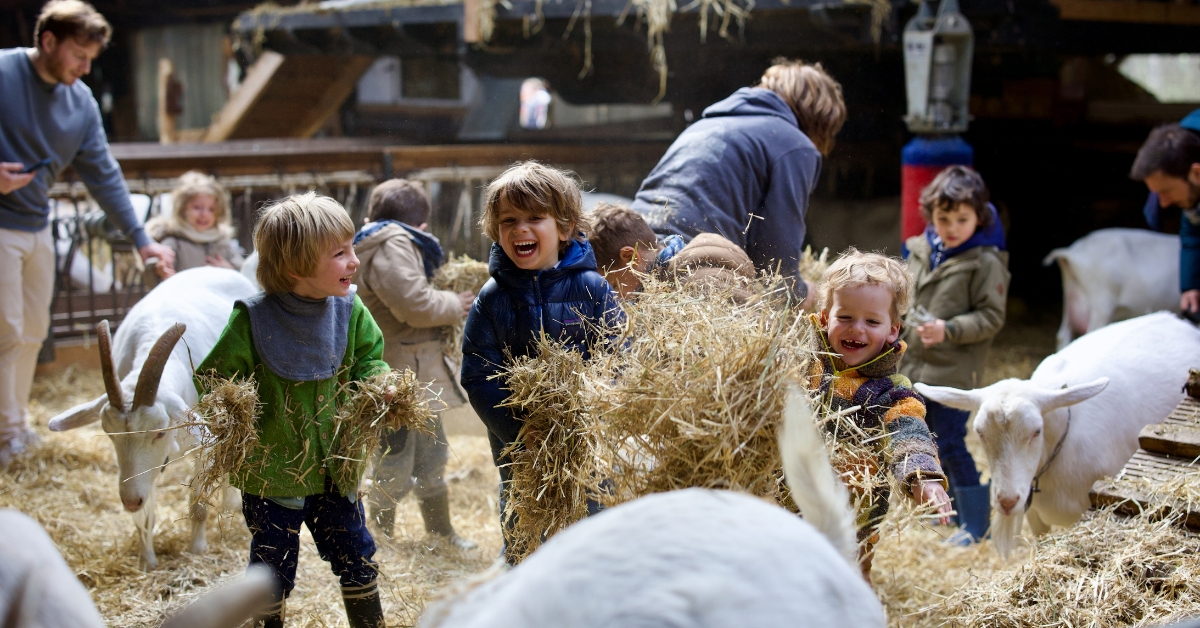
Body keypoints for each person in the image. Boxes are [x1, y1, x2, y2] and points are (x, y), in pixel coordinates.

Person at [195, 192, 389, 628]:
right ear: (296, 266)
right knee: (272, 573)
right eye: (340, 253)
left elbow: (369, 357)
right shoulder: (253, 319)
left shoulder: (350, 309)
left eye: (352, 247)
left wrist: (380, 384)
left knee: (357, 555)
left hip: (337, 470)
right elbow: (215, 379)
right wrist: (227, 410)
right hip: (272, 476)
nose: (354, 262)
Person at [0, 0, 175, 468]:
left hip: (35, 222)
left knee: (33, 331)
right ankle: (7, 433)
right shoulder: (3, 73)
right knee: (7, 328)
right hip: (0, 224)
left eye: (91, 58)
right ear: (48, 40)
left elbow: (103, 174)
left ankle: (13, 428)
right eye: (79, 55)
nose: (85, 67)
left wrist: (142, 240)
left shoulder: (79, 102)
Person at [459, 162, 622, 559]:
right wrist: (518, 431)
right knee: (523, 542)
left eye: (535, 217)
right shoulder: (493, 298)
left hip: (587, 450)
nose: (520, 229)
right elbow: (478, 375)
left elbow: (618, 355)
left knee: (591, 538)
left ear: (565, 228)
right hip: (521, 456)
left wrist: (598, 409)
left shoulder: (593, 289)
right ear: (495, 230)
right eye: (509, 220)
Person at [629, 58, 846, 303]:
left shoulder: (707, 123)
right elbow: (776, 262)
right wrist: (803, 293)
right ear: (820, 119)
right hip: (688, 268)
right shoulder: (795, 144)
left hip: (631, 256)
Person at [807, 248, 952, 581]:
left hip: (853, 516)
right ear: (826, 317)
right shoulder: (804, 365)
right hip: (791, 505)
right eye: (845, 317)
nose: (857, 329)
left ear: (892, 330)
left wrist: (921, 475)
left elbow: (909, 431)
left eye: (872, 321)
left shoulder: (893, 390)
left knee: (847, 583)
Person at [352, 179, 476, 549]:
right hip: (399, 372)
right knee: (395, 458)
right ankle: (380, 536)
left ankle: (440, 531)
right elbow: (414, 304)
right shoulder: (394, 243)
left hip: (414, 370)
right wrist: (456, 304)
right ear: (420, 225)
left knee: (432, 453)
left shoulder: (378, 239)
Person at [898, 166, 1009, 545]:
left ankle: (976, 525)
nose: (952, 227)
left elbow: (992, 317)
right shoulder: (918, 249)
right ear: (931, 216)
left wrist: (950, 329)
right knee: (922, 437)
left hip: (953, 373)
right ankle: (948, 513)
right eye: (943, 218)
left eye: (962, 219)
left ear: (980, 217)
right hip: (913, 367)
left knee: (949, 441)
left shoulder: (984, 261)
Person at [588, 202, 754, 299]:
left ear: (631, 257)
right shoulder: (666, 285)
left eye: (615, 286)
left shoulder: (699, 282)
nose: (619, 297)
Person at [1131, 119, 1200, 314]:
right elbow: (1193, 227)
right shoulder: (1188, 146)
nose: (1163, 203)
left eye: (1166, 192)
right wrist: (1191, 285)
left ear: (1197, 173)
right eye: (1156, 194)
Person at [144, 170, 244, 287]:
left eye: (211, 209)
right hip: (184, 299)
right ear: (183, 209)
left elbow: (244, 272)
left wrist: (229, 269)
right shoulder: (174, 241)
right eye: (197, 207)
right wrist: (159, 271)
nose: (204, 214)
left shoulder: (221, 242)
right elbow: (155, 272)